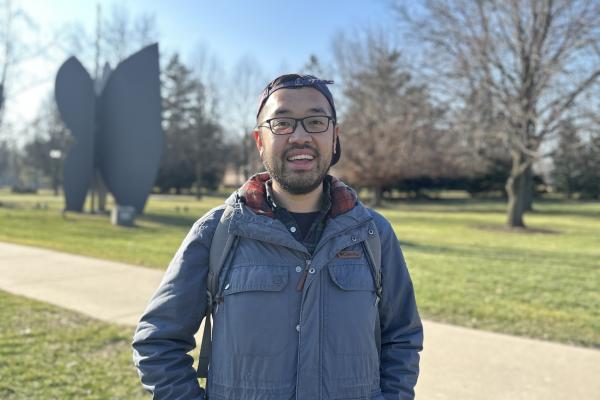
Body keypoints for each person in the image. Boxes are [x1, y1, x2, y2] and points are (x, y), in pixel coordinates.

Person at [132, 74, 423, 400]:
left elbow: (402, 336)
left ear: (335, 136)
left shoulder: (373, 234)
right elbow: (158, 342)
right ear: (259, 140)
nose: (300, 136)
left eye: (316, 121)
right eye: (282, 123)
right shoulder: (218, 233)